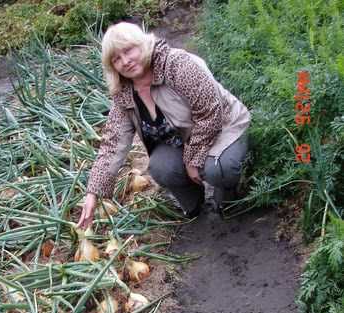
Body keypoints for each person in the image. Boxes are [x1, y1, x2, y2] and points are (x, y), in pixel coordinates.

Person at [77, 22, 251, 229]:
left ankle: (228, 196)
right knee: (161, 167)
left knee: (218, 169)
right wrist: (92, 194)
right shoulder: (124, 94)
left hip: (224, 126)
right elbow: (112, 145)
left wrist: (192, 160)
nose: (125, 61)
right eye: (116, 58)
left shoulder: (176, 64)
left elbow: (211, 112)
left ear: (143, 43)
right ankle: (194, 203)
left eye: (128, 50)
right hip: (183, 139)